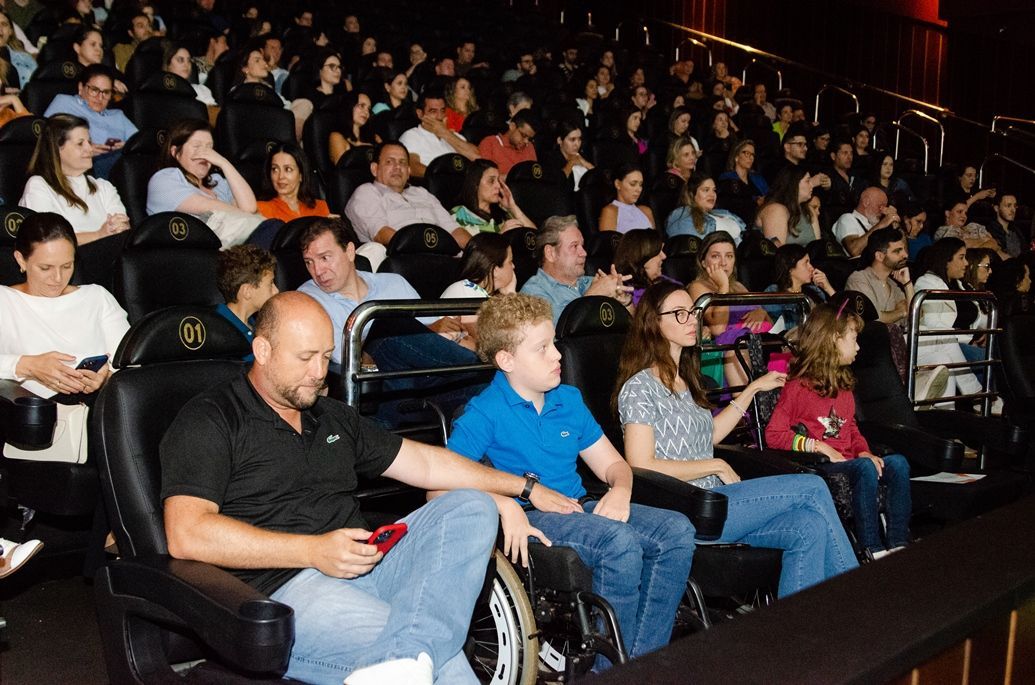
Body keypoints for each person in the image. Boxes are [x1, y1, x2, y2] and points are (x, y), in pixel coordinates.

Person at [160, 290, 580, 685]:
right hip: (285, 591)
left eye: (325, 356)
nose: (319, 372)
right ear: (263, 350)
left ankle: (408, 652)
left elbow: (427, 463)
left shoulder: (330, 416)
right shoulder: (212, 418)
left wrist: (523, 488)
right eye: (305, 357)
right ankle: (410, 654)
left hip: (368, 564)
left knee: (472, 506)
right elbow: (187, 533)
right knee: (439, 659)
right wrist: (312, 551)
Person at [447, 293, 695, 670]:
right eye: (542, 348)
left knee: (676, 530)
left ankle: (642, 659)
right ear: (506, 360)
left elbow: (613, 464)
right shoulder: (485, 411)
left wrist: (621, 490)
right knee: (620, 542)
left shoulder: (568, 399)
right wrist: (505, 505)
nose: (558, 355)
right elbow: (439, 486)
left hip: (578, 506)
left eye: (554, 344)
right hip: (534, 516)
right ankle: (608, 673)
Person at [615, 281, 857, 594]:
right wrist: (715, 465)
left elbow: (710, 434)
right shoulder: (639, 387)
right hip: (687, 506)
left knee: (808, 527)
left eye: (692, 312)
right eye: (679, 313)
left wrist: (752, 389)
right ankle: (855, 593)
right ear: (653, 324)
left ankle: (797, 622)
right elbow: (640, 464)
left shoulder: (684, 379)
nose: (691, 319)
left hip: (715, 500)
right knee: (812, 487)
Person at [766, 303, 912, 560]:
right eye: (854, 339)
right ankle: (872, 548)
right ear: (834, 339)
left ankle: (898, 542)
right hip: (822, 466)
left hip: (851, 461)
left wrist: (864, 451)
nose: (858, 347)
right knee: (865, 468)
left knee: (898, 463)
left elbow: (850, 427)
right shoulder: (798, 387)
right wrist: (818, 446)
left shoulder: (843, 384)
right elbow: (774, 434)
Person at [0, 212, 129, 399]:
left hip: (99, 407)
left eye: (67, 266)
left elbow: (130, 364)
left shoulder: (96, 297)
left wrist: (106, 379)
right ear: (21, 260)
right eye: (46, 268)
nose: (58, 278)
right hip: (39, 411)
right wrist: (28, 366)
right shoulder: (5, 300)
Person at [146, 119, 278, 249]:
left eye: (209, 148)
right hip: (196, 248)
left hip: (238, 246)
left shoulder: (218, 182)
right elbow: (207, 207)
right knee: (273, 231)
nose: (206, 154)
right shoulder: (164, 178)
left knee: (279, 235)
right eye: (197, 146)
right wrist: (255, 221)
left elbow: (249, 207)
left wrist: (224, 163)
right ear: (175, 152)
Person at [344, 141, 470, 267]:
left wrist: (476, 248)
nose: (397, 167)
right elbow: (381, 234)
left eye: (402, 162)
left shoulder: (422, 193)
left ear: (409, 171)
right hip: (403, 260)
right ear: (375, 169)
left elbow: (453, 229)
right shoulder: (367, 192)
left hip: (444, 257)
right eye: (389, 162)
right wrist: (423, 248)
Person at [20, 114, 131, 245]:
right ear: (56, 149)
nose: (90, 149)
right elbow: (49, 241)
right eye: (80, 144)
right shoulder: (38, 186)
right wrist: (99, 235)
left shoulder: (104, 187)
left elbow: (123, 230)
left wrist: (122, 227)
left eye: (89, 142)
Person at [688, 231, 771, 389]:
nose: (723, 263)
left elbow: (770, 324)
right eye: (715, 256)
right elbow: (718, 329)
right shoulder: (698, 286)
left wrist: (762, 313)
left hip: (756, 345)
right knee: (741, 343)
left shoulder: (739, 286)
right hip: (728, 351)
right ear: (703, 262)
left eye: (729, 256)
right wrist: (723, 286)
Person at [520, 215, 632, 326]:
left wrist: (624, 302)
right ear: (550, 253)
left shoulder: (592, 282)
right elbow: (555, 334)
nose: (584, 253)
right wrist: (592, 296)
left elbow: (635, 328)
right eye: (574, 246)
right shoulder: (532, 293)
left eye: (582, 246)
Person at [914, 238, 985, 401]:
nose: (966, 263)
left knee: (998, 348)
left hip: (963, 341)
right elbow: (933, 325)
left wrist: (983, 332)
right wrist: (969, 339)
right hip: (938, 344)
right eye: (961, 257)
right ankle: (979, 397)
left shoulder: (959, 284)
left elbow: (979, 314)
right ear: (946, 260)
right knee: (983, 357)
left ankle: (985, 399)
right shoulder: (926, 283)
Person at [44, 64, 138, 179]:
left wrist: (127, 146)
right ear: (81, 87)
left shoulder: (118, 115)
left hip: (122, 164)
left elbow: (139, 143)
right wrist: (84, 149)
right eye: (94, 90)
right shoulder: (64, 102)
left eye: (106, 92)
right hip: (88, 165)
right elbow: (47, 139)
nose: (100, 97)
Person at [439, 232, 517, 345]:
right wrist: (510, 296)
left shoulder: (485, 295)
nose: (513, 266)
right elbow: (490, 342)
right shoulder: (465, 291)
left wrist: (509, 294)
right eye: (510, 261)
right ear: (495, 270)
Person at [214, 244, 278, 361]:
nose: (276, 291)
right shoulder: (217, 329)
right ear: (247, 291)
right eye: (270, 284)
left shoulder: (256, 325)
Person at [399, 88, 480, 178]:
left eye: (442, 111)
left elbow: (477, 158)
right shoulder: (411, 136)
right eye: (433, 111)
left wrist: (444, 133)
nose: (439, 117)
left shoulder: (454, 136)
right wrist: (441, 177)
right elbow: (413, 167)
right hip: (433, 183)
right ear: (420, 114)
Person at [450, 159, 533, 236]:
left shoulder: (503, 212)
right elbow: (469, 246)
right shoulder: (460, 214)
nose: (498, 186)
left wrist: (513, 207)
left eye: (498, 181)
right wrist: (501, 236)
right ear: (475, 184)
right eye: (491, 181)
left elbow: (534, 237)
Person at [763, 243, 835, 330]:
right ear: (790, 268)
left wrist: (828, 288)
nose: (812, 268)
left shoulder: (814, 290)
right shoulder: (774, 291)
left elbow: (835, 318)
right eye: (806, 263)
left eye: (810, 262)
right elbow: (773, 325)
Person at [256, 142, 330, 222]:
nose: (281, 176)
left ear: (301, 175)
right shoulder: (261, 209)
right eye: (275, 169)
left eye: (288, 169)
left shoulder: (320, 207)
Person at [665, 172, 745, 243]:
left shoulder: (723, 212)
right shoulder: (683, 214)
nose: (712, 194)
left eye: (714, 190)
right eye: (706, 190)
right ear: (692, 194)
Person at [832, 186, 900, 257]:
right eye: (880, 206)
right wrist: (882, 224)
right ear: (866, 202)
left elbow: (901, 253)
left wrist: (895, 224)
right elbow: (854, 251)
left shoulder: (875, 224)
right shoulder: (848, 218)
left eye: (885, 207)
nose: (883, 211)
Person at [755, 166, 816, 246]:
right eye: (807, 181)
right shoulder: (776, 210)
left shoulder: (808, 210)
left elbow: (817, 247)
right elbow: (778, 251)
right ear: (794, 184)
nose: (812, 185)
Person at [613, 228, 673, 306]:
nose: (664, 256)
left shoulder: (664, 280)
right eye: (658, 252)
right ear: (642, 256)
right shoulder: (627, 295)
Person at [716, 139, 768, 226]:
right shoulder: (726, 179)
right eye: (747, 153)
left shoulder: (758, 178)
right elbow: (730, 204)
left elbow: (769, 196)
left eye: (752, 154)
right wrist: (756, 202)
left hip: (761, 218)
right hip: (736, 221)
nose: (751, 157)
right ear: (736, 157)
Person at [477, 108, 539, 178]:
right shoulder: (490, 143)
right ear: (512, 126)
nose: (526, 141)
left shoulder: (529, 147)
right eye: (523, 135)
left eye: (529, 138)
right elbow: (487, 177)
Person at [934, 199, 1007, 257]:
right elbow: (962, 250)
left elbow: (995, 244)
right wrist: (984, 240)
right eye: (959, 212)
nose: (964, 216)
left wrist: (972, 243)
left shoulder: (973, 226)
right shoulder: (942, 231)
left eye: (965, 213)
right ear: (947, 213)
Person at [598, 164, 654, 233]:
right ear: (617, 184)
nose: (639, 189)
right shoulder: (610, 211)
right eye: (633, 184)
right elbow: (608, 239)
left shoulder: (646, 211)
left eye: (640, 184)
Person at [162, 41, 217, 108]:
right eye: (180, 60)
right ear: (168, 65)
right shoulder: (160, 92)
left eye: (188, 60)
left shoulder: (201, 91)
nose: (186, 64)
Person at [328, 91, 375, 165]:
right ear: (349, 106)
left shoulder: (373, 137)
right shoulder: (336, 137)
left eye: (369, 109)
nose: (366, 112)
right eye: (362, 106)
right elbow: (341, 168)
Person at [545, 121, 593, 191]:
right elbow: (556, 184)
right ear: (559, 140)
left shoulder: (582, 154)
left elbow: (598, 177)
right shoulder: (550, 158)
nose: (577, 144)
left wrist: (585, 162)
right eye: (572, 140)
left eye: (579, 139)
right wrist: (571, 163)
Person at [0, 9, 37, 90]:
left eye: (4, 24)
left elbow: (38, 88)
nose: (0, 28)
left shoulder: (25, 58)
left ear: (10, 31)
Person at [985, 193, 1026, 257]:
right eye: (1008, 206)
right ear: (996, 208)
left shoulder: (1016, 230)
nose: (1013, 210)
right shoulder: (990, 232)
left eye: (1015, 206)